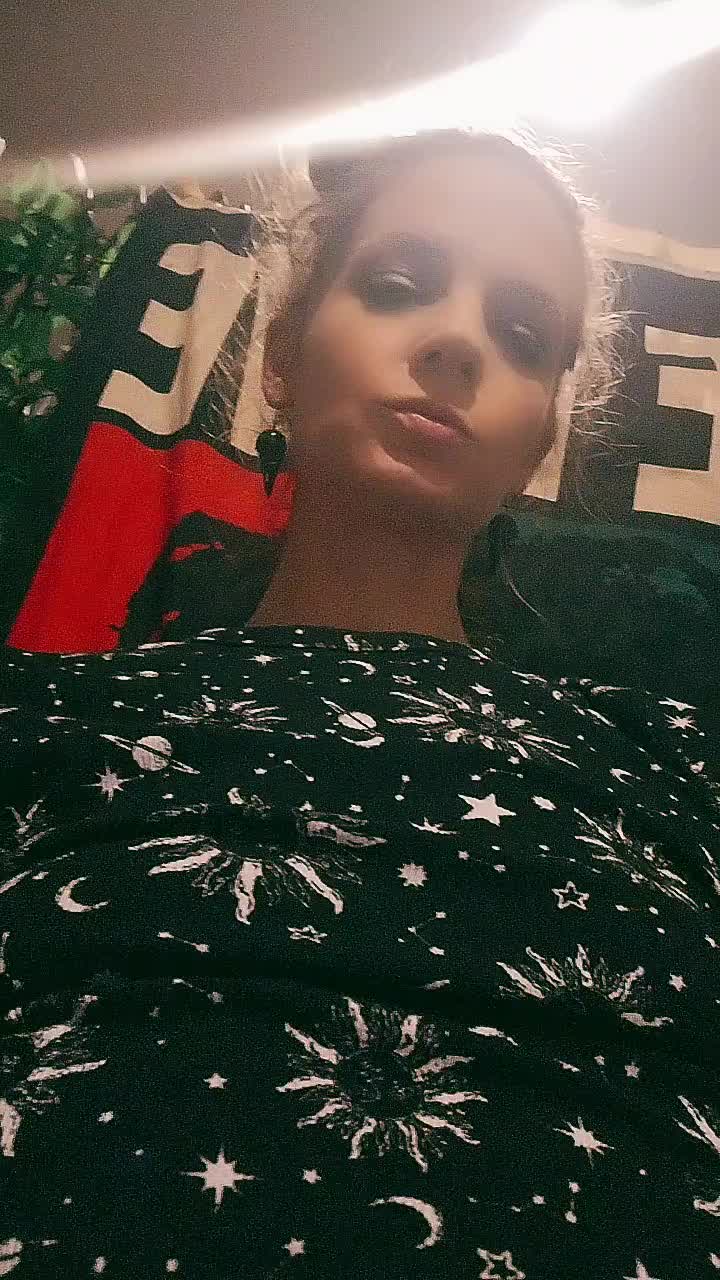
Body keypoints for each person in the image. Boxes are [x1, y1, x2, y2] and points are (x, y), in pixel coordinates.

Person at [0, 130, 718, 1280]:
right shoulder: (44, 713)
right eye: (398, 283)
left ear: (539, 438)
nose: (457, 340)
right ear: (282, 354)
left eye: (521, 335)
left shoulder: (672, 760)